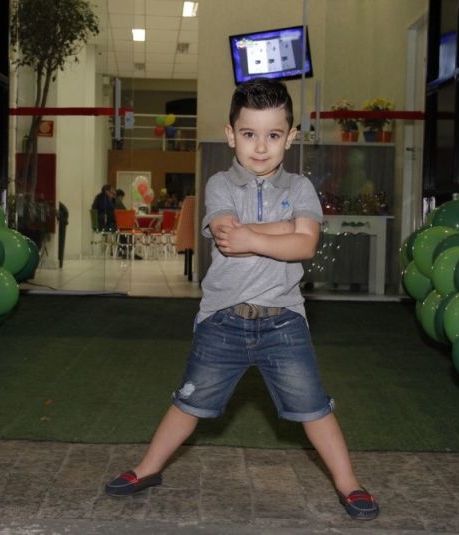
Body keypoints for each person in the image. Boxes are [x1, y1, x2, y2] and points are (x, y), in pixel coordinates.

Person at [104, 78, 380, 521]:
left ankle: (349, 483)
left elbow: (305, 245)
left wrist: (257, 233)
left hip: (283, 320)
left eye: (273, 135)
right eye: (249, 134)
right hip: (223, 321)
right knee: (188, 401)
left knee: (314, 406)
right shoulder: (219, 185)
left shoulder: (301, 189)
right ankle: (147, 468)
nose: (260, 147)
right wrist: (281, 230)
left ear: (290, 137)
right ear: (231, 134)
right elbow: (229, 240)